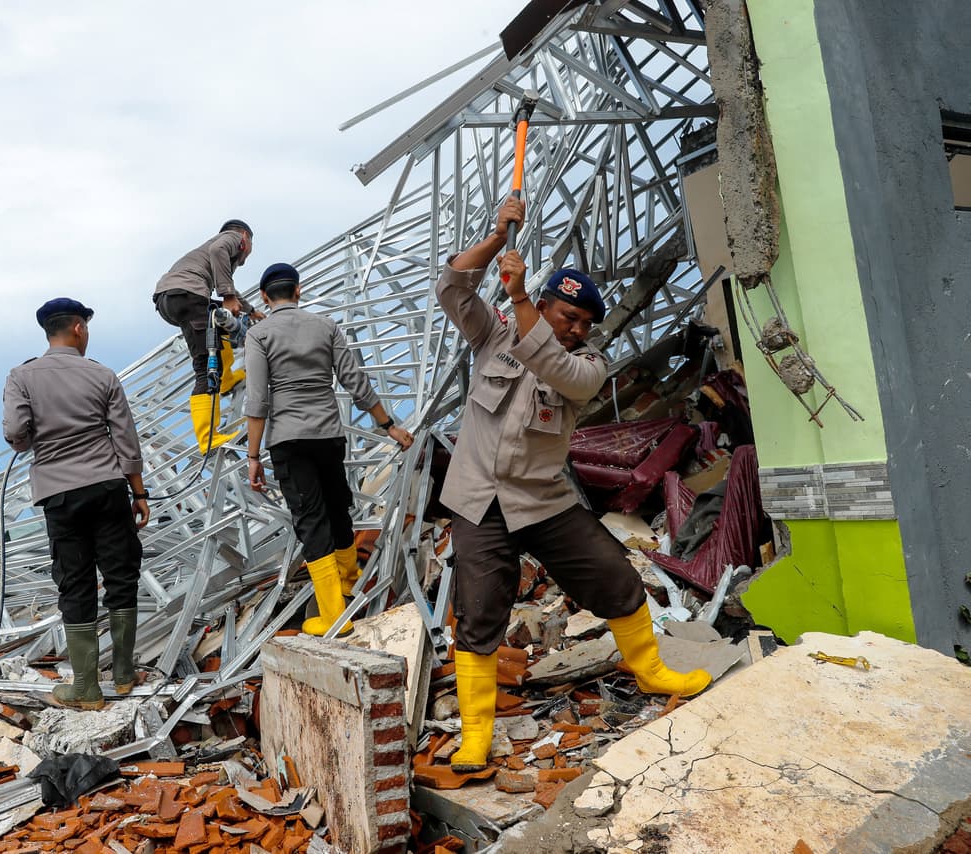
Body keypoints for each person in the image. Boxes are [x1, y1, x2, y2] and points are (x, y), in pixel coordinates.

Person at [436, 198, 710, 773]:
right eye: (568, 317)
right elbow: (454, 287)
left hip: (544, 499)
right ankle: (477, 734)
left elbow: (558, 372)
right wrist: (496, 239)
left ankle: (652, 671)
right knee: (479, 610)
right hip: (479, 500)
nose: (578, 330)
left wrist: (519, 300)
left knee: (614, 576)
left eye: (586, 323)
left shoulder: (588, 364)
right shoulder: (493, 334)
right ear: (545, 305)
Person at [244, 263, 414, 636]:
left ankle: (334, 616)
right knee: (338, 509)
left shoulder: (259, 334)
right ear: (298, 290)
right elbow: (355, 380)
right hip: (328, 434)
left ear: (264, 298)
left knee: (311, 519)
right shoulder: (326, 326)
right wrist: (388, 425)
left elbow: (257, 400)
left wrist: (253, 456)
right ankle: (349, 583)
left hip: (288, 439)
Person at [4, 297, 150, 709]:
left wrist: (33, 437)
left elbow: (15, 433)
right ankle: (124, 674)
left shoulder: (21, 376)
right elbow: (125, 439)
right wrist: (139, 493)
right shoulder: (102, 375)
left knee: (75, 580)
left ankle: (86, 687)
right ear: (79, 328)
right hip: (107, 487)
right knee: (121, 574)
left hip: (59, 493)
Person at [153, 219, 259, 453]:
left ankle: (227, 379)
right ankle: (208, 438)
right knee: (205, 367)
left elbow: (230, 291)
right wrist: (227, 295)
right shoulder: (232, 239)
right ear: (245, 236)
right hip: (187, 294)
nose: (247, 256)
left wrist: (250, 310)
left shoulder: (208, 258)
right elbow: (218, 251)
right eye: (251, 246)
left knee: (219, 321)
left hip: (172, 298)